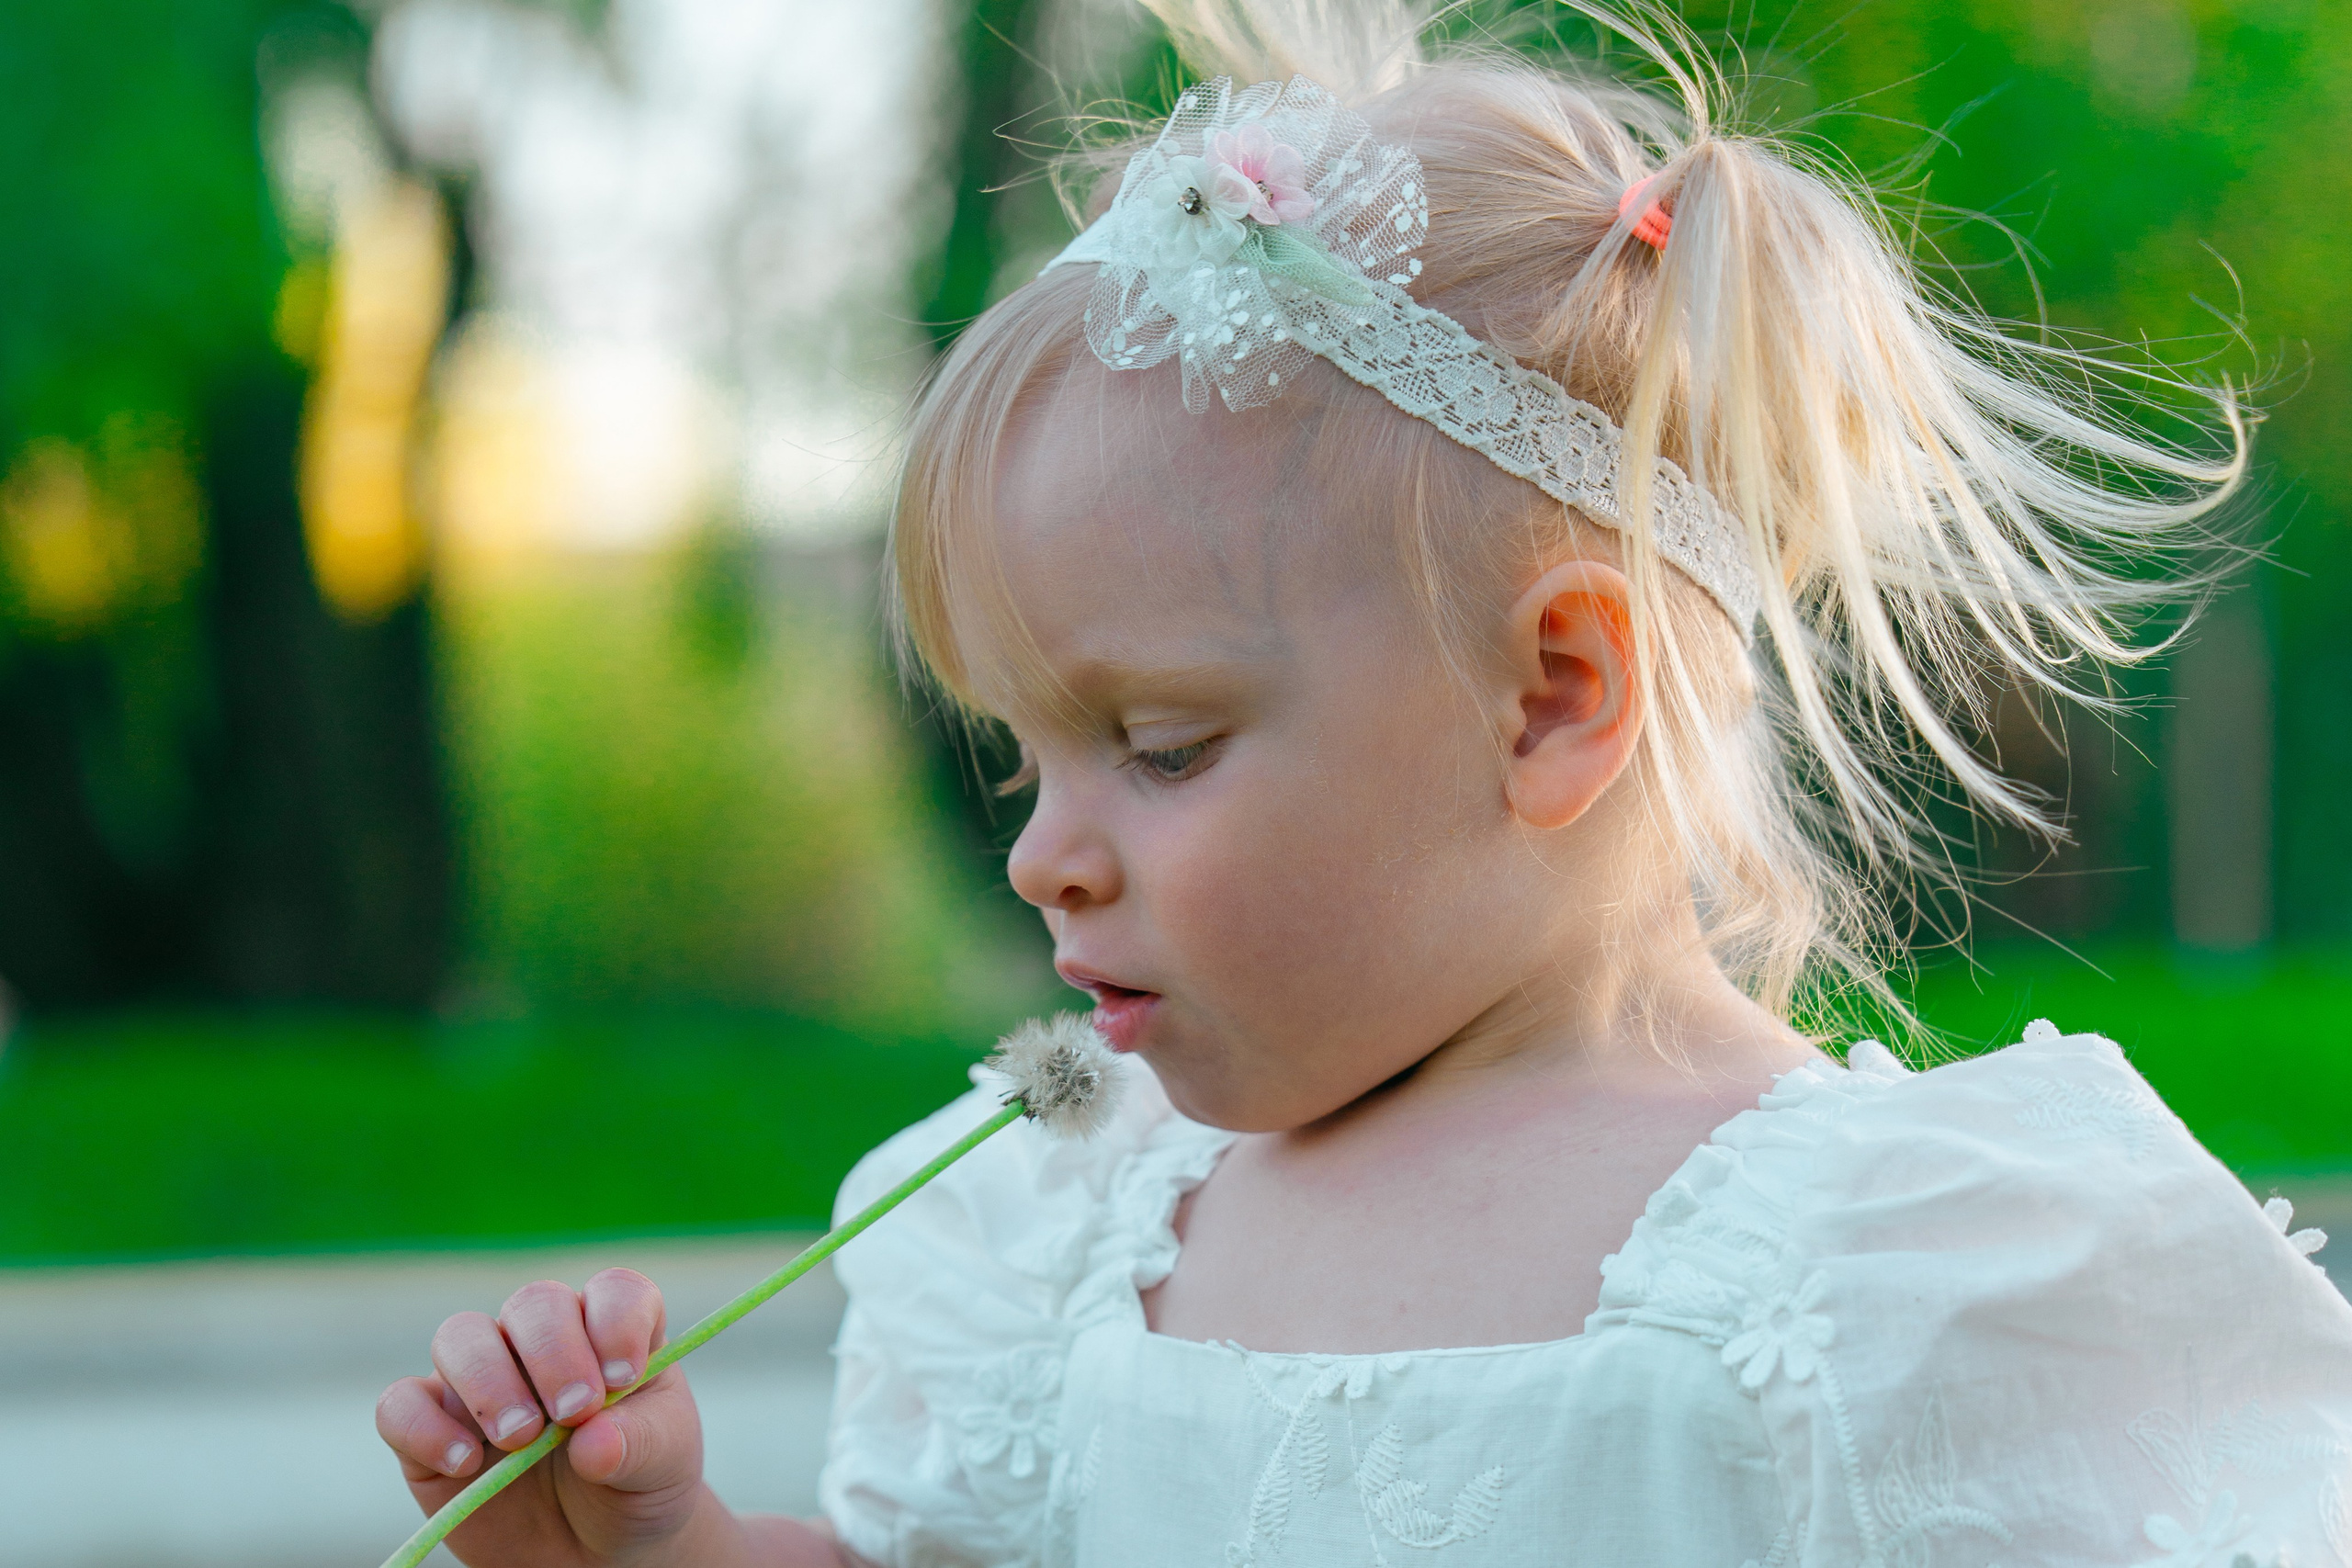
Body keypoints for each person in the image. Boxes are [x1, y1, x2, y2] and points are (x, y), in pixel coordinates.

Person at [373, 4, 2352, 1562]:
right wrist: (662, 1547)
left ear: (1551, 697)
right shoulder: (1071, 1230)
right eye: (1024, 755)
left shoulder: (1898, 1278)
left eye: (1157, 748)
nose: (1049, 854)